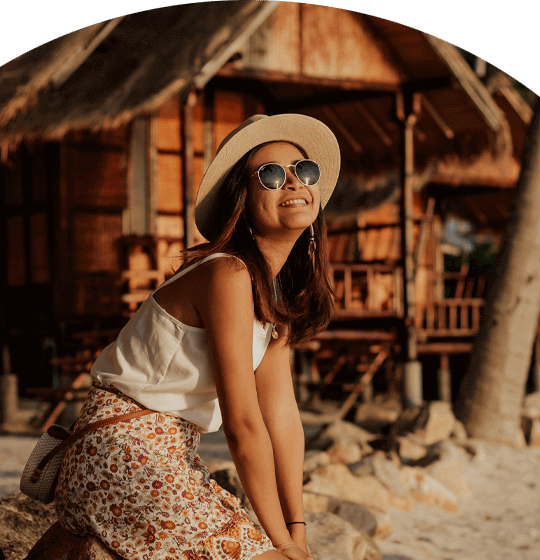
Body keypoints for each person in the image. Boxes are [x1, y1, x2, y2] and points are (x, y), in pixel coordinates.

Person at [54, 114, 340, 560]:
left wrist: (296, 531)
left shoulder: (271, 296)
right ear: (241, 199)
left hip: (169, 457)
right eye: (270, 174)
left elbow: (282, 419)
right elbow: (244, 425)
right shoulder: (226, 273)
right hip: (121, 452)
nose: (292, 182)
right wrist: (278, 543)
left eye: (304, 170)